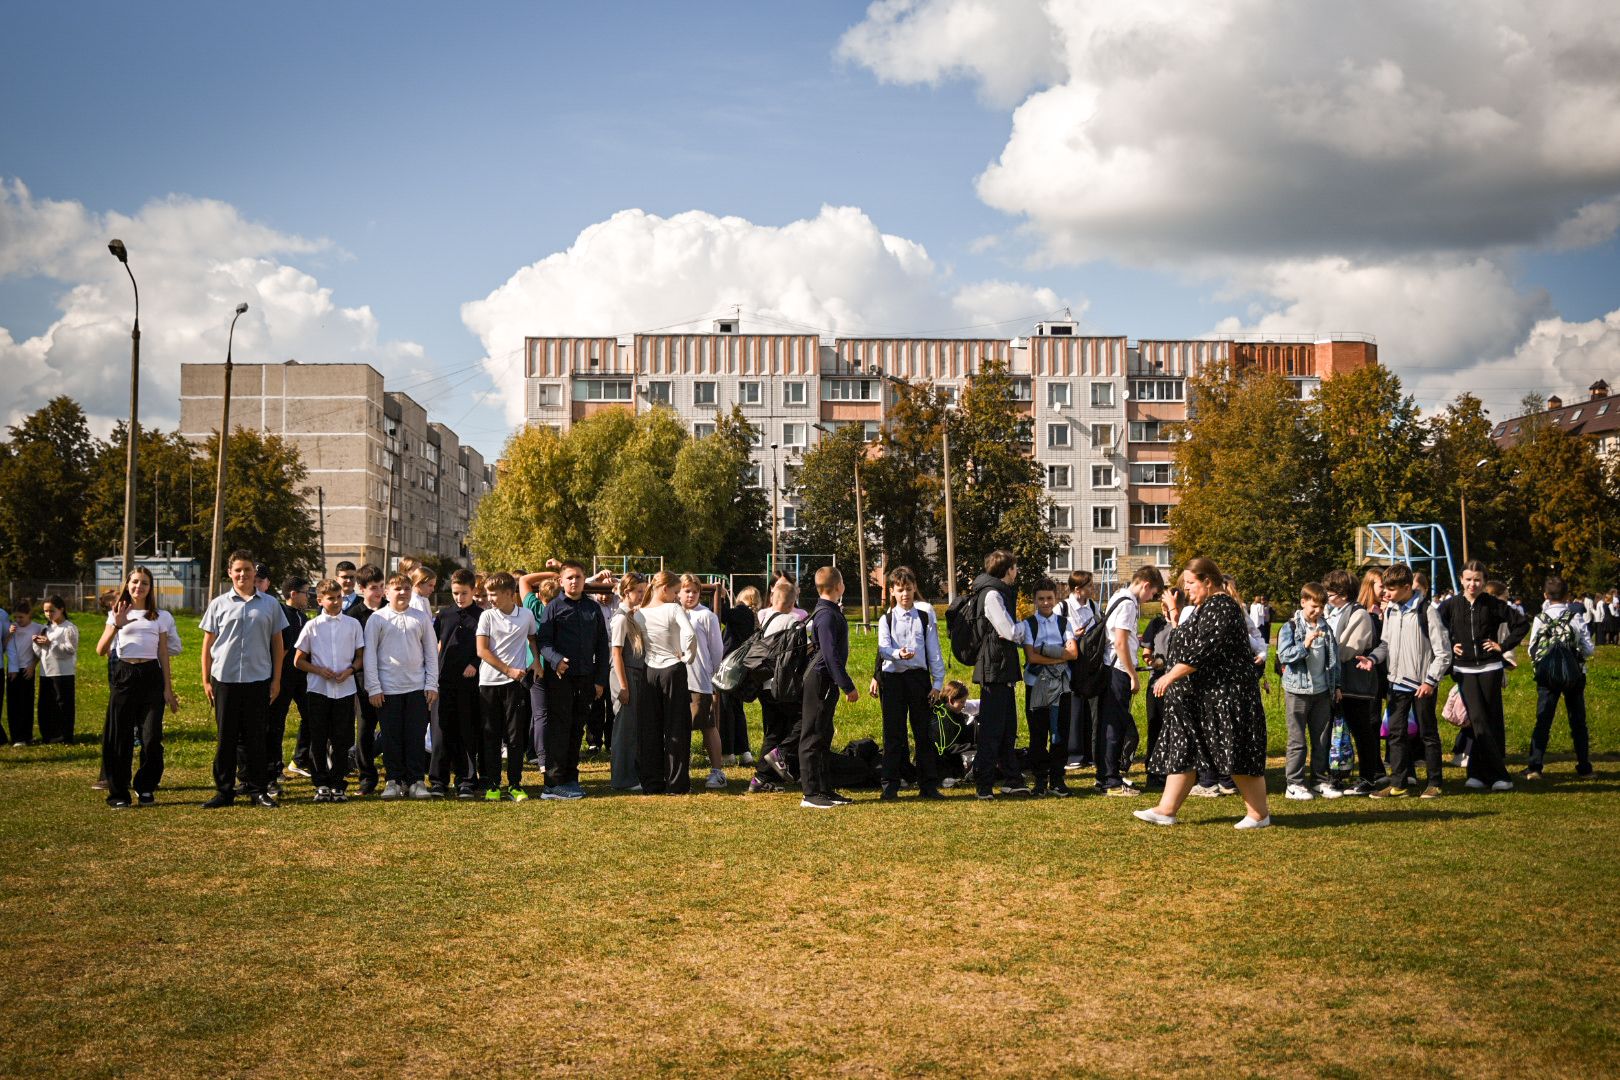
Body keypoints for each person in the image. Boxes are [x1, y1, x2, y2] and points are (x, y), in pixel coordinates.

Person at [1135, 557, 1272, 829]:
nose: (1186, 589)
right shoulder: (1202, 608)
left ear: (1207, 581)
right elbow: (1183, 641)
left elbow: (1205, 649)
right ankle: (1166, 809)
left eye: (1190, 583)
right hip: (1202, 697)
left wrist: (1170, 676)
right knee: (1184, 750)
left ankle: (1259, 814)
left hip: (1227, 696)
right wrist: (1175, 617)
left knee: (1237, 753)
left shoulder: (1222, 607)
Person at [201, 551, 288, 809]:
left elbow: (277, 643)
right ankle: (224, 791)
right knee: (226, 738)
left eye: (247, 570)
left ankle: (258, 789)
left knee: (256, 738)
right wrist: (206, 681)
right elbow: (208, 645)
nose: (243, 575)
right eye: (238, 570)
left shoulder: (270, 604)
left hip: (258, 680)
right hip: (224, 680)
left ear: (254, 573)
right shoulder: (218, 604)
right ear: (229, 573)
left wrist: (277, 680)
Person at [1438, 560, 1528, 793]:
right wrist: (1450, 644)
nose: (1472, 584)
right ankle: (1498, 774)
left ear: (1484, 581)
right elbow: (1433, 627)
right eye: (1468, 579)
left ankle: (1480, 773)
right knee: (1477, 721)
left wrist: (1503, 645)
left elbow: (1521, 624)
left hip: (1490, 669)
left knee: (1492, 720)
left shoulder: (1493, 604)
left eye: (1477, 580)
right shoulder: (1451, 605)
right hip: (1464, 671)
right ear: (1461, 580)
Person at [95, 568, 182, 808]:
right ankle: (119, 793)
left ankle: (145, 787)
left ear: (150, 588)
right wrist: (117, 625)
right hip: (125, 675)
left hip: (151, 676)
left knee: (151, 737)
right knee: (119, 737)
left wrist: (168, 689)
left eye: (144, 583)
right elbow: (101, 650)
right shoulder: (117, 613)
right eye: (135, 582)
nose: (139, 587)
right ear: (127, 585)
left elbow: (163, 653)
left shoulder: (160, 616)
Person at [1364, 563, 1451, 800]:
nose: (1386, 594)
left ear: (1406, 587)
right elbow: (1385, 644)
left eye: (1391, 589)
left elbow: (1443, 652)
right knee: (1396, 734)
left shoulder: (1427, 611)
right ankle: (1398, 784)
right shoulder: (1391, 610)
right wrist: (1372, 659)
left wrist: (1430, 681)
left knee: (1427, 734)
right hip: (1396, 684)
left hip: (1423, 685)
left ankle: (1434, 783)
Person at [535, 561, 610, 800]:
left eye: (578, 577)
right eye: (569, 577)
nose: (574, 581)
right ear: (561, 581)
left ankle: (570, 779)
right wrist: (556, 660)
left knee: (577, 728)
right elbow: (543, 642)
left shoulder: (593, 608)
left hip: (586, 678)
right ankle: (553, 783)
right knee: (559, 728)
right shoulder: (553, 608)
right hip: (560, 678)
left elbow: (602, 646)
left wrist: (600, 680)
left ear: (584, 579)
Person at [363, 572, 439, 800]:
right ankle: (394, 780)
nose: (403, 593)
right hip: (388, 689)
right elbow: (370, 656)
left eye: (406, 588)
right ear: (387, 593)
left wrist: (431, 683)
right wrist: (374, 687)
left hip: (416, 688)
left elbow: (431, 653)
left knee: (415, 736)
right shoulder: (377, 619)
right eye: (397, 589)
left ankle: (416, 781)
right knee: (391, 737)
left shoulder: (420, 618)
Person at [875, 566, 946, 801]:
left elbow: (933, 650)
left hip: (918, 680)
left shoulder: (924, 616)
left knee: (923, 733)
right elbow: (883, 648)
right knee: (893, 734)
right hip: (894, 680)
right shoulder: (886, 619)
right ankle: (890, 785)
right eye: (900, 590)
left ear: (914, 588)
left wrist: (937, 683)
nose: (904, 594)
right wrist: (897, 654)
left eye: (908, 589)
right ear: (892, 592)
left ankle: (928, 784)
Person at [292, 579, 365, 802]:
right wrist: (318, 670)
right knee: (318, 737)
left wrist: (350, 670)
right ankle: (321, 782)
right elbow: (298, 661)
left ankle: (338, 783)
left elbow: (361, 657)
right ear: (320, 600)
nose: (335, 602)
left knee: (342, 739)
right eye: (330, 598)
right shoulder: (312, 626)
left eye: (339, 597)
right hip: (319, 690)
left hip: (344, 689)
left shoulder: (352, 624)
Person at [1097, 565, 1166, 795]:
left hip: (1111, 668)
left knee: (1110, 723)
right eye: (1153, 594)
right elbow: (1120, 643)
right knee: (1116, 726)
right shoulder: (1128, 604)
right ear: (1146, 585)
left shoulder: (1119, 595)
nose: (1151, 599)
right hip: (1119, 670)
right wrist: (1133, 674)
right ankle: (1111, 781)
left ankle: (1106, 776)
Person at [968, 550, 1028, 800]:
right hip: (993, 668)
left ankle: (1011, 779)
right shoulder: (992, 594)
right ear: (1007, 570)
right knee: (993, 729)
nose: (1017, 572)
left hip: (1001, 667)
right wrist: (1029, 626)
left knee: (1007, 727)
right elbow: (1009, 631)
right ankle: (983, 783)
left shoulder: (997, 592)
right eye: (1014, 568)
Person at [476, 571, 539, 801]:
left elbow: (533, 638)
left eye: (493, 594)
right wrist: (509, 670)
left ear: (509, 594)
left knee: (515, 737)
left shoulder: (527, 615)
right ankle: (493, 784)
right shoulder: (487, 617)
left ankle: (514, 784)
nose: (489, 598)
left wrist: (537, 662)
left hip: (516, 686)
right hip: (489, 684)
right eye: (488, 594)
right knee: (491, 735)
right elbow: (482, 651)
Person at [1524, 575, 1595, 781]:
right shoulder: (1575, 617)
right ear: (1568, 596)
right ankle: (1584, 766)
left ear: (1545, 595)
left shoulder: (1539, 618)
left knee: (1543, 719)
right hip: (1574, 674)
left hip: (1547, 675)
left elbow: (1531, 650)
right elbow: (1589, 649)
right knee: (1578, 721)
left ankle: (1535, 766)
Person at [1277, 582, 1342, 801]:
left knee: (1322, 739)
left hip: (1322, 691)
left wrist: (1337, 686)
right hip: (1297, 691)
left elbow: (1334, 659)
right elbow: (1284, 656)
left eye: (1321, 607)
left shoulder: (1326, 627)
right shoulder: (1291, 627)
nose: (1317, 611)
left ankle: (1319, 781)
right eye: (1313, 606)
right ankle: (1294, 784)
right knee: (1297, 741)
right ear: (1303, 602)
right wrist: (1304, 644)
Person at [799, 565, 857, 809]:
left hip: (826, 680)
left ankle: (825, 789)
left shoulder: (829, 611)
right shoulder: (825, 615)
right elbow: (830, 655)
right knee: (812, 735)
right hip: (820, 679)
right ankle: (810, 793)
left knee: (824, 733)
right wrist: (847, 686)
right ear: (839, 587)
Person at [1323, 569, 1385, 795]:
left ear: (1342, 592)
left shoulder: (1359, 615)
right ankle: (1336, 775)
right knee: (1336, 732)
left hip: (1356, 684)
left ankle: (1369, 777)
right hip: (1335, 684)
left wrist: (1323, 653)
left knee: (1361, 730)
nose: (1327, 597)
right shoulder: (1332, 612)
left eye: (1330, 593)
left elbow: (1348, 649)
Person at [635, 571, 697, 794]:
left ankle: (651, 783)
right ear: (664, 589)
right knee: (677, 727)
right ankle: (677, 783)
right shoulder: (673, 609)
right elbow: (690, 635)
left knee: (650, 728)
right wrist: (688, 657)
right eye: (675, 592)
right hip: (672, 668)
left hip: (650, 671)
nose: (677, 596)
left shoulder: (639, 613)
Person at [1018, 577, 1078, 797]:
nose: (1045, 603)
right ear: (1034, 600)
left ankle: (1058, 779)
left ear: (1056, 599)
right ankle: (1040, 779)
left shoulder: (1065, 623)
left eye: (1049, 598)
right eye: (1041, 599)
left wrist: (1045, 651)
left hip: (1061, 686)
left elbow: (1073, 653)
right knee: (1038, 734)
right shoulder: (1027, 624)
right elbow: (1031, 657)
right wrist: (1058, 656)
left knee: (1060, 733)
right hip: (1037, 685)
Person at [433, 568, 483, 799]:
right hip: (444, 681)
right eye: (455, 593)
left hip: (470, 684)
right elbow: (434, 646)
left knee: (467, 731)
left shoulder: (482, 616)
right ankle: (438, 781)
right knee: (442, 732)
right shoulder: (444, 615)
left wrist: (474, 662)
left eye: (464, 593)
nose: (459, 598)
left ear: (473, 590)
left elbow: (487, 647)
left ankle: (466, 780)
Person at [753, 578, 807, 793]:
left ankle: (760, 778)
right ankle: (781, 754)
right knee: (803, 720)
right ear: (793, 602)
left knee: (773, 731)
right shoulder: (791, 620)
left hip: (764, 684)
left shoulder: (765, 618)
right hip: (782, 684)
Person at [678, 575, 729, 790]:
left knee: (707, 724)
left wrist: (713, 675)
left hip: (700, 678)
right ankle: (679, 771)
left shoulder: (707, 616)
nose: (690, 595)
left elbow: (716, 649)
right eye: (686, 591)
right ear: (678, 592)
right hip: (677, 677)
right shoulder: (673, 613)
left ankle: (717, 771)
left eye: (694, 591)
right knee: (678, 727)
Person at [260, 576, 309, 796]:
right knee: (276, 723)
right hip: (282, 675)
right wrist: (275, 678)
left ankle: (301, 759)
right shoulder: (280, 613)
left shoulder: (303, 616)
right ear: (293, 594)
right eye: (306, 593)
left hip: (303, 676)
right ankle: (274, 768)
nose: (309, 597)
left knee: (312, 716)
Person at [348, 564, 387, 795]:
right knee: (364, 730)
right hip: (363, 682)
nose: (379, 592)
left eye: (382, 587)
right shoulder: (353, 616)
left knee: (390, 730)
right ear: (361, 588)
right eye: (374, 588)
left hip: (391, 678)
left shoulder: (390, 610)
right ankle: (367, 777)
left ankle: (394, 776)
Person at [609, 573, 648, 791]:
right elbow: (616, 654)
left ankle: (631, 774)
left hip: (635, 673)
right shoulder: (621, 618)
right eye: (639, 591)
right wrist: (623, 686)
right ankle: (622, 779)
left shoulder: (633, 615)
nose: (643, 595)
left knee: (632, 727)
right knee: (624, 728)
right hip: (624, 674)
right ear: (627, 592)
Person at [1140, 588, 1181, 791]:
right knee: (1155, 725)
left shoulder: (1183, 624)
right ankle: (1154, 772)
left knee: (1175, 728)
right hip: (1157, 681)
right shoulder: (1156, 624)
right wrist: (1152, 661)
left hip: (1179, 681)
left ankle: (1175, 770)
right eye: (1163, 609)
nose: (1166, 613)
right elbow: (1146, 652)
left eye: (1169, 609)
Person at [1062, 570, 1100, 772]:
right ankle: (1074, 753)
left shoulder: (1092, 606)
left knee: (1089, 706)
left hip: (1090, 661)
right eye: (1089, 586)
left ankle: (1090, 752)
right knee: (1075, 707)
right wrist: (1073, 636)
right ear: (1078, 589)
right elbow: (1058, 631)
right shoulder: (1064, 607)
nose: (1092, 589)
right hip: (1071, 661)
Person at [717, 586, 759, 766]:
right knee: (737, 709)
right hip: (743, 668)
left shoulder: (741, 612)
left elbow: (722, 614)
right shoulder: (753, 617)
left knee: (726, 709)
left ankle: (728, 751)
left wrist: (721, 597)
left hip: (730, 668)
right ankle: (744, 751)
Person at [33, 595, 78, 744]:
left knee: (63, 704)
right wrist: (37, 643)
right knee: (46, 704)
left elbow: (70, 651)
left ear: (61, 609)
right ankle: (49, 734)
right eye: (45, 611)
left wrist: (50, 643)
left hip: (63, 672)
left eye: (51, 611)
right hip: (46, 671)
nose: (48, 614)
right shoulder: (45, 628)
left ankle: (65, 735)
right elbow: (40, 652)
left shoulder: (69, 628)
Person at [5, 600, 39, 746]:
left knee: (26, 703)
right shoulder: (12, 628)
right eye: (16, 617)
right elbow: (6, 647)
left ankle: (27, 736)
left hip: (27, 670)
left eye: (21, 617)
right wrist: (9, 635)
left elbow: (40, 651)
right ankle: (16, 737)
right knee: (13, 704)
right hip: (13, 670)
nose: (18, 620)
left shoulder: (37, 628)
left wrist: (33, 666)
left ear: (29, 615)